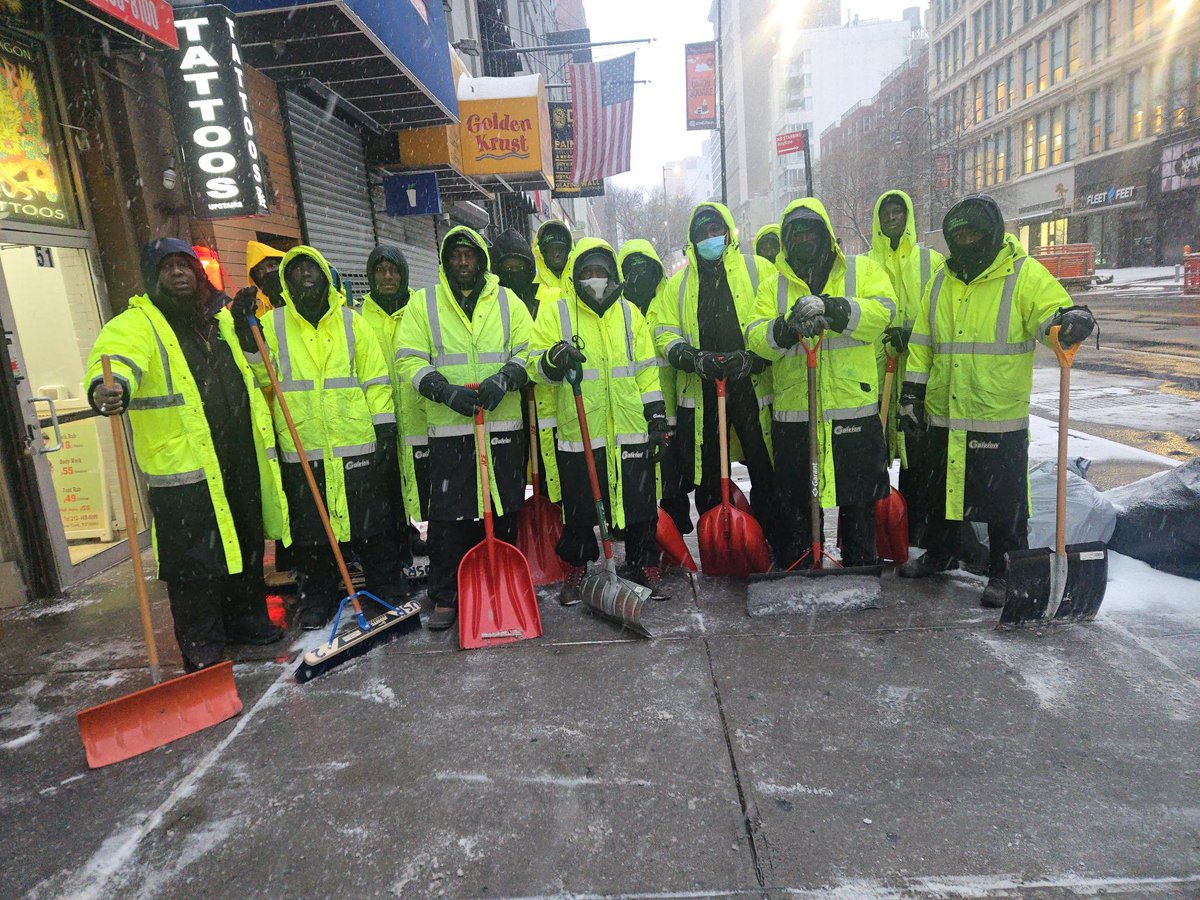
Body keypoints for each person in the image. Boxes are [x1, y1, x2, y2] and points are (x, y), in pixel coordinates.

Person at [86, 239, 287, 672]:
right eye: (167, 267)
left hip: (237, 455)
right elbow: (115, 361)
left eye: (185, 265)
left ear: (198, 273)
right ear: (152, 276)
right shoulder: (138, 323)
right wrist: (110, 386)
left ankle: (247, 620)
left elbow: (260, 371)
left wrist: (249, 329)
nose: (178, 273)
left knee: (246, 544)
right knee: (194, 562)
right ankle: (203, 643)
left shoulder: (221, 319)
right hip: (184, 466)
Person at [898, 195, 1096, 607]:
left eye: (973, 233)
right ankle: (942, 551)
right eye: (959, 235)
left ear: (990, 234)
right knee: (943, 491)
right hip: (945, 410)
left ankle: (1005, 570)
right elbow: (922, 343)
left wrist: (1071, 320)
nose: (966, 241)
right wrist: (912, 393)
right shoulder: (941, 280)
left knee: (1005, 501)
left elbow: (1052, 314)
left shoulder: (1022, 275)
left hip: (996, 413)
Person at [235, 245, 410, 631]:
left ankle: (386, 587)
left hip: (355, 441)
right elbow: (262, 378)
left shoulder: (351, 323)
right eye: (295, 272)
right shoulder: (273, 326)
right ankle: (319, 597)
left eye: (311, 269)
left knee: (371, 525)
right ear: (286, 282)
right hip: (304, 445)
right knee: (313, 531)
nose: (305, 277)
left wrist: (384, 428)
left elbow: (375, 378)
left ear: (325, 275)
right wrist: (245, 337)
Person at [395, 227, 533, 631]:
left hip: (501, 428)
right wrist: (442, 390)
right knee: (449, 518)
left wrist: (505, 378)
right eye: (455, 256)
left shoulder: (508, 302)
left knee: (504, 509)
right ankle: (447, 594)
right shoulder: (424, 305)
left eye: (469, 255)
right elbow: (407, 359)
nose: (462, 262)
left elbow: (530, 351)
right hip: (449, 430)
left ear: (481, 260)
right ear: (445, 261)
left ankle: (500, 583)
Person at [747, 198, 895, 567]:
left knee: (857, 492)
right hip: (796, 409)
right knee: (796, 493)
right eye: (795, 234)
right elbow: (754, 336)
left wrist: (833, 308)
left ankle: (860, 558)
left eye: (811, 230)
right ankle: (799, 559)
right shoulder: (772, 286)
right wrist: (785, 328)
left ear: (826, 234)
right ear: (785, 241)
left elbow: (884, 311)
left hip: (852, 406)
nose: (804, 239)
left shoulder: (862, 271)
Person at [529, 239, 669, 603]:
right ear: (576, 276)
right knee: (579, 507)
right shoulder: (556, 313)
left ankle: (642, 561)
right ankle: (577, 567)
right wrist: (552, 359)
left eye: (601, 272)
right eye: (587, 273)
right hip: (581, 429)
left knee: (639, 500)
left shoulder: (629, 315)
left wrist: (656, 415)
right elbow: (534, 366)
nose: (595, 279)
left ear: (613, 275)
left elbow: (646, 372)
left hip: (629, 427)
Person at [649, 203, 779, 550]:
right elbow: (664, 332)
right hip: (705, 391)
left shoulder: (759, 270)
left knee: (765, 465)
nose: (710, 238)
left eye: (715, 231)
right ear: (693, 240)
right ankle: (717, 544)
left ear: (727, 232)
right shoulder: (678, 286)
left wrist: (754, 358)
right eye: (702, 233)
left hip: (752, 387)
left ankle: (772, 538)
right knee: (708, 472)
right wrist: (692, 358)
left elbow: (777, 320)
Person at [865, 191, 947, 548]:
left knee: (919, 452)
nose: (893, 218)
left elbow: (943, 312)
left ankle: (918, 528)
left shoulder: (930, 261)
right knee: (875, 450)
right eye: (886, 212)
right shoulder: (866, 263)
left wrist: (911, 333)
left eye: (899, 211)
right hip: (877, 370)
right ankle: (877, 528)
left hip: (918, 369)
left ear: (909, 215)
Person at [358, 244, 427, 562]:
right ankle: (397, 548)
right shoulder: (359, 321)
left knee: (424, 482)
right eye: (380, 271)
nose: (388, 277)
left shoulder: (421, 311)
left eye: (394, 270)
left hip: (418, 413)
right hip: (379, 418)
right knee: (386, 485)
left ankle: (426, 538)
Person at [492, 228, 539, 315]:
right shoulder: (489, 302)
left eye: (520, 267)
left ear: (529, 268)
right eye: (508, 267)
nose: (514, 272)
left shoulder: (543, 295)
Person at [533, 220, 574, 306]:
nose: (556, 254)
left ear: (568, 250)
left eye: (560, 249)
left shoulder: (579, 281)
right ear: (542, 253)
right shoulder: (533, 288)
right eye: (551, 250)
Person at [245, 240, 287, 315]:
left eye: (272, 265)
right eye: (259, 270)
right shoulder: (256, 315)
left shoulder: (304, 300)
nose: (267, 272)